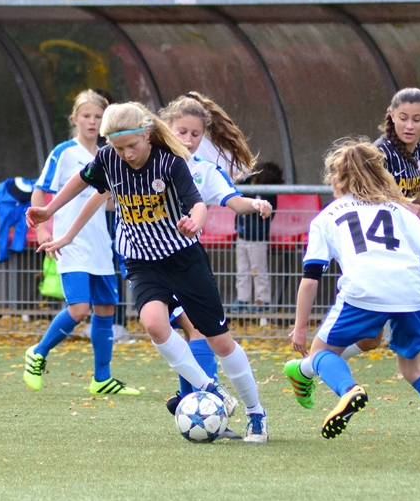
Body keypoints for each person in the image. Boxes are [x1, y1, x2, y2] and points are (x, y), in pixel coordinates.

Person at [28, 102, 269, 442]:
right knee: (154, 324)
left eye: (132, 146)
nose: (126, 154)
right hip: (142, 263)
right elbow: (81, 182)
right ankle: (209, 388)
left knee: (219, 340)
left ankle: (256, 414)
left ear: (147, 134)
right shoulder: (109, 159)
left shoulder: (170, 162)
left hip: (183, 259)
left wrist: (194, 221)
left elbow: (198, 204)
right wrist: (49, 211)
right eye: (118, 148)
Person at [286, 88, 420, 432]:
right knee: (379, 344)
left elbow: (416, 191)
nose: (409, 125)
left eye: (416, 119)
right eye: (403, 117)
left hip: (397, 259)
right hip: (398, 254)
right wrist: (404, 210)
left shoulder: (413, 153)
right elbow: (383, 200)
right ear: (390, 115)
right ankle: (306, 368)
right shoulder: (378, 154)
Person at [288, 139, 420, 464]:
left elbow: (311, 279)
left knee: (321, 354)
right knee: (414, 368)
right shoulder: (397, 209)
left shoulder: (327, 216)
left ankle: (349, 390)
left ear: (337, 179)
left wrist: (299, 327)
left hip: (363, 290)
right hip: (411, 291)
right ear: (380, 175)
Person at [158, 93, 273, 427]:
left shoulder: (204, 171)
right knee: (178, 328)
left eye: (196, 134)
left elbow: (234, 200)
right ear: (167, 128)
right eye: (182, 131)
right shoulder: (148, 159)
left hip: (185, 261)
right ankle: (200, 398)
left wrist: (255, 204)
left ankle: (198, 401)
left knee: (201, 333)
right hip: (148, 262)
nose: (189, 139)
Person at [24, 90, 139, 396]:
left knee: (105, 308)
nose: (92, 121)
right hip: (69, 243)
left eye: (98, 116)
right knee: (78, 309)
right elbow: (40, 190)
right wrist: (42, 230)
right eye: (86, 116)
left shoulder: (109, 154)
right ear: (74, 119)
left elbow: (106, 200)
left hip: (100, 244)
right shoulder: (64, 152)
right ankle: (38, 352)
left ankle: (102, 378)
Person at [232, 161, 283, 312]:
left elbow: (267, 214)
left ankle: (262, 300)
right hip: (241, 236)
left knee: (259, 270)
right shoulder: (246, 184)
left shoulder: (269, 195)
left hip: (257, 239)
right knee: (242, 270)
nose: (253, 181)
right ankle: (242, 299)